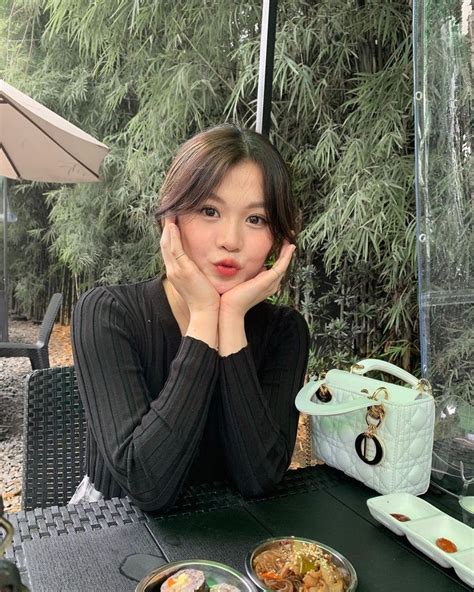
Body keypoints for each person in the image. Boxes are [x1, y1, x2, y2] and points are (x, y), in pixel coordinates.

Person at [70, 124, 310, 512]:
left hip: (228, 532)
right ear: (171, 219)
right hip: (111, 534)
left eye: (256, 219)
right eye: (209, 211)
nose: (231, 240)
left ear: (279, 238)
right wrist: (203, 317)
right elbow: (146, 486)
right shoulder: (106, 313)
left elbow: (259, 478)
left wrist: (229, 319)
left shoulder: (284, 332)